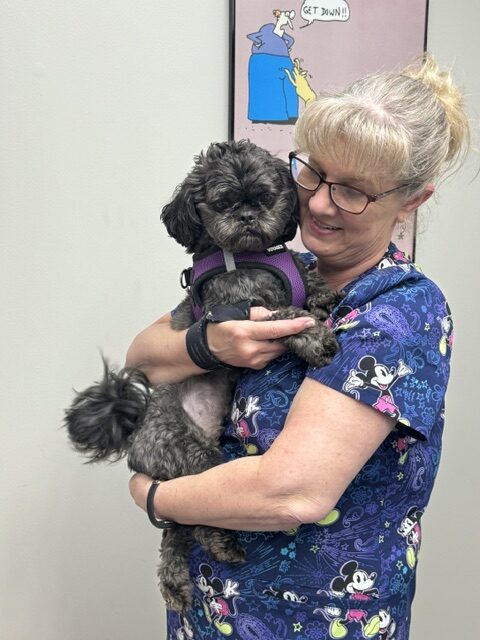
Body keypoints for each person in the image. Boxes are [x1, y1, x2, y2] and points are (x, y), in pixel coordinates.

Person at [127, 53, 470, 639]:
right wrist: (209, 346)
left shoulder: (401, 310)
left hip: (316, 619)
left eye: (353, 191)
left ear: (411, 200)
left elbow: (293, 493)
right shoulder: (276, 270)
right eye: (311, 174)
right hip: (207, 612)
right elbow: (142, 353)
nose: (316, 203)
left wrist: (155, 496)